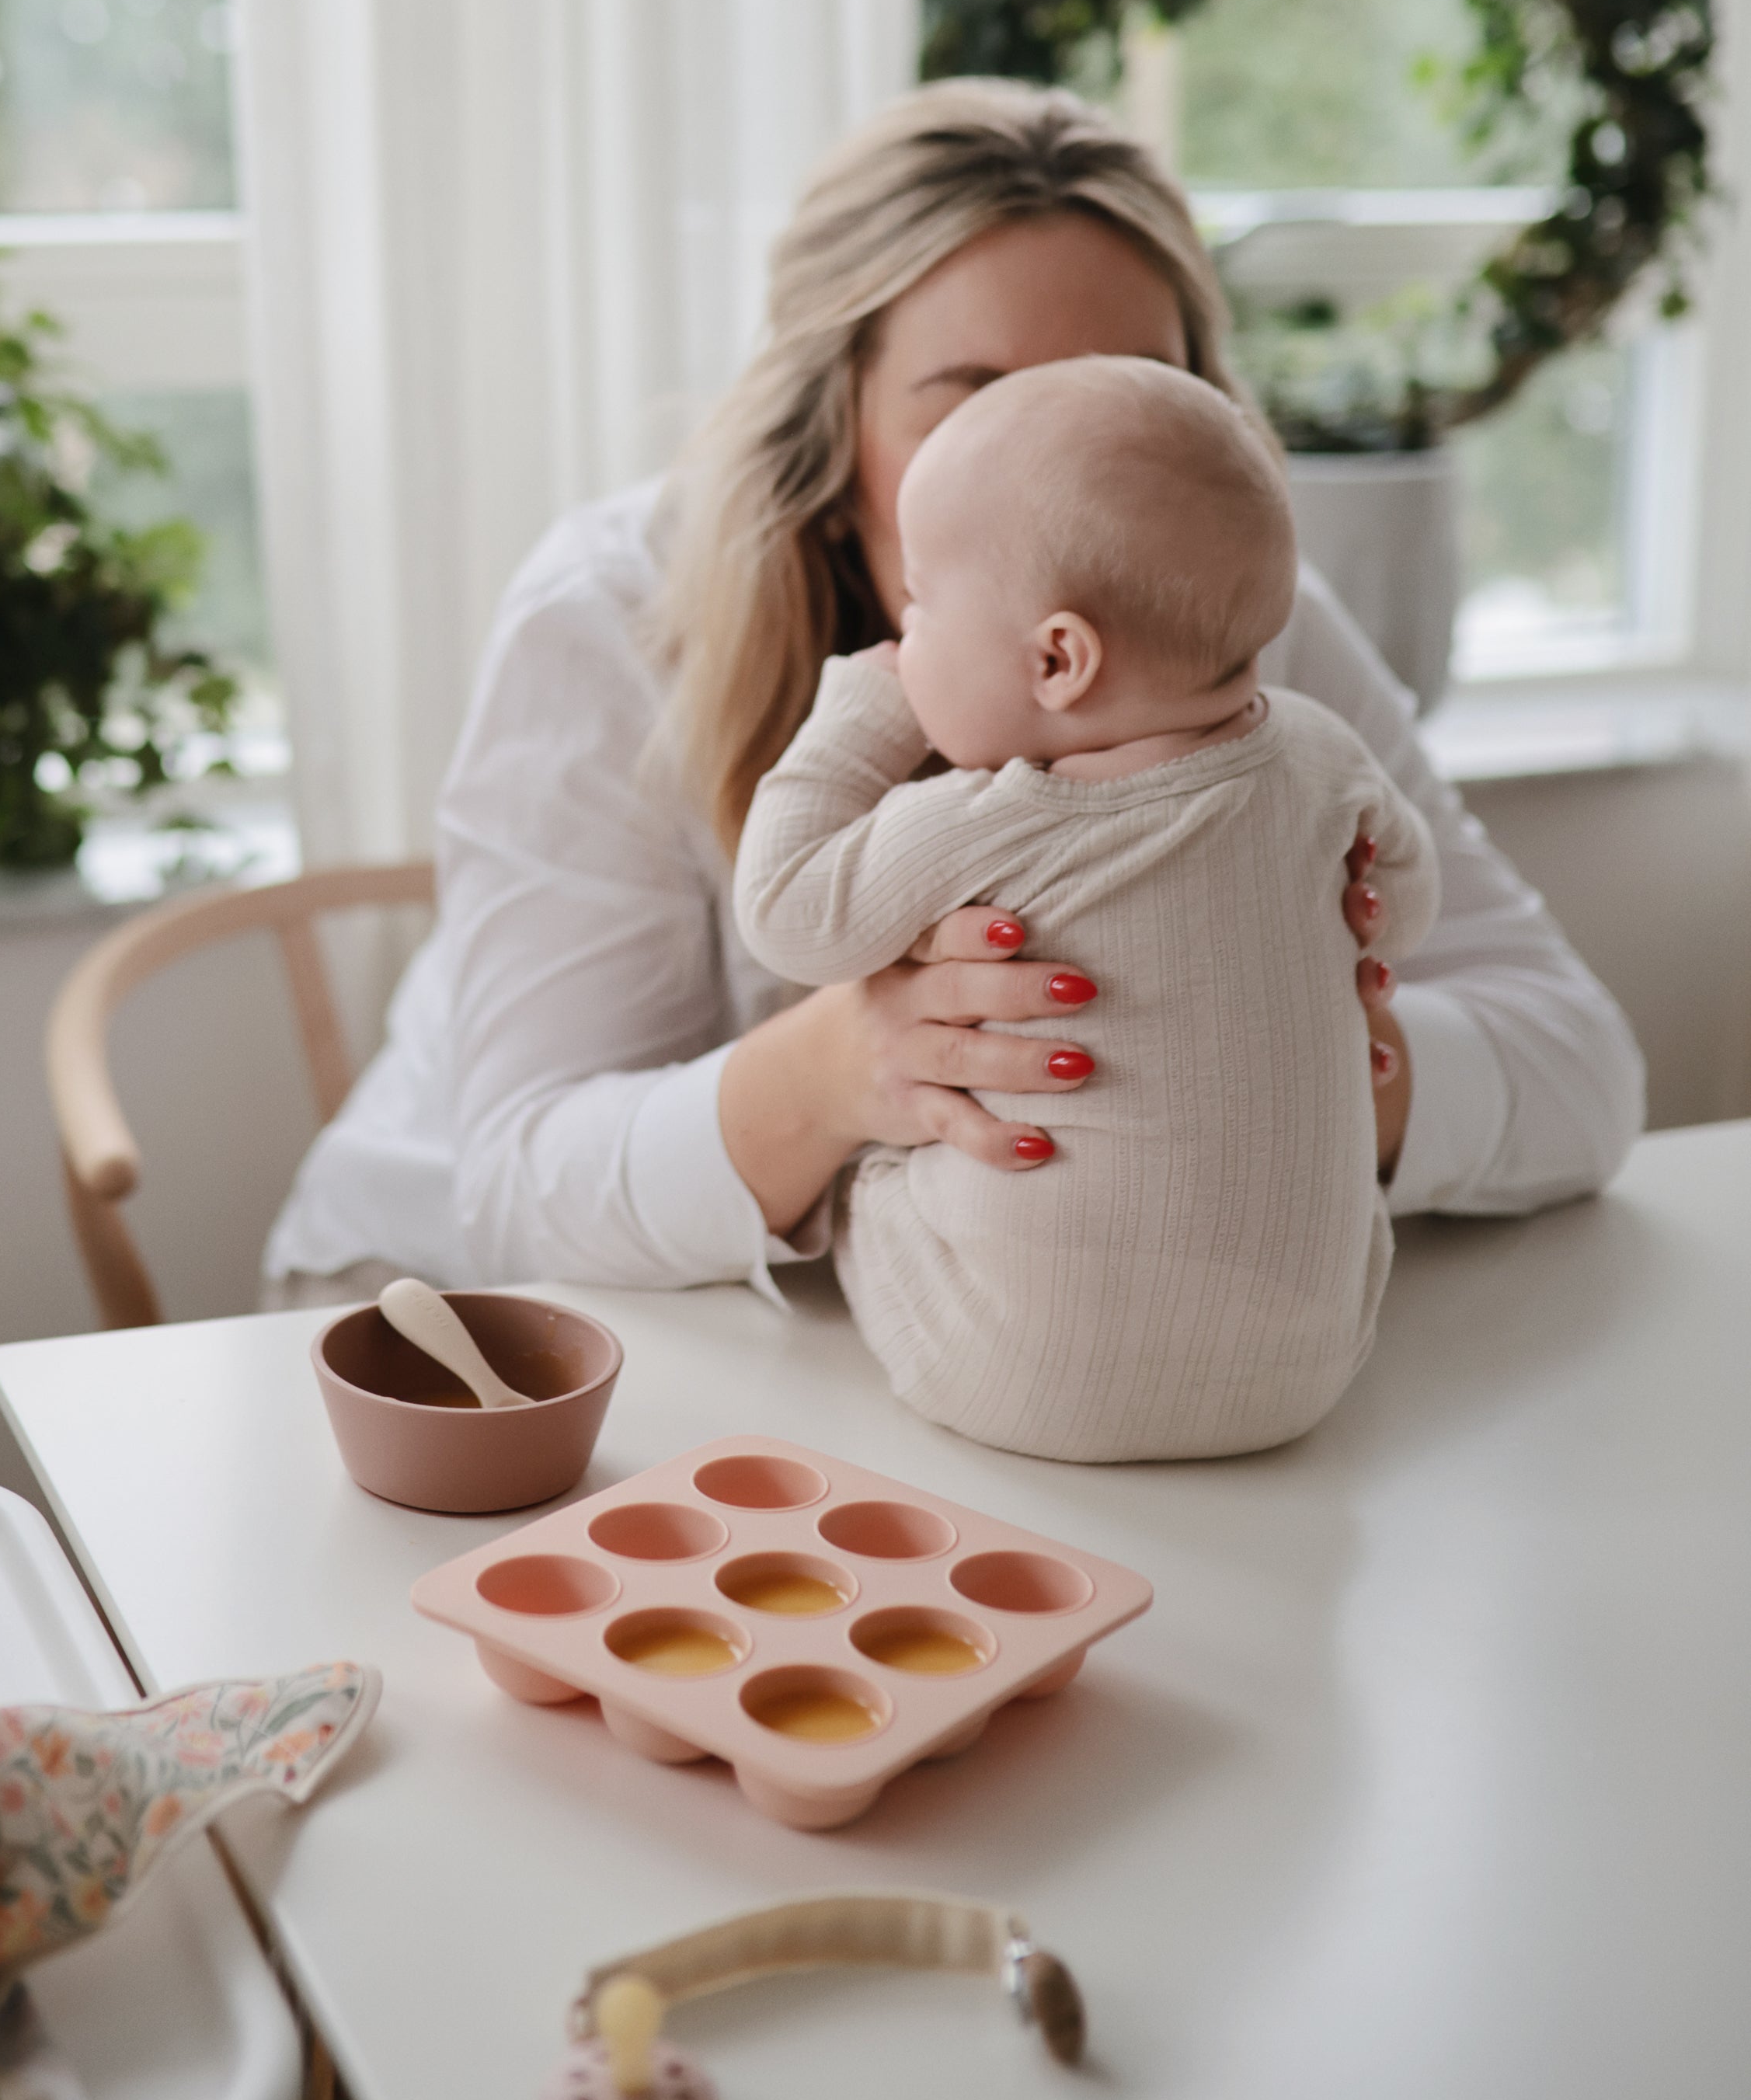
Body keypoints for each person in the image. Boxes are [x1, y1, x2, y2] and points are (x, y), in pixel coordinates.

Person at [263, 79, 1642, 1307]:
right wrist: (845, 1071)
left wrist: (1328, 1059)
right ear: (834, 413)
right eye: (968, 396)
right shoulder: (610, 619)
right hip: (437, 1319)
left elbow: (1584, 1069)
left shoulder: (1205, 602)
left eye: (1119, 397)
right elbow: (515, 1191)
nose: (1056, 484)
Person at [733, 356, 1437, 1459]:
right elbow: (1407, 901)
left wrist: (858, 719)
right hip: (1307, 1372)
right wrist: (1349, 933)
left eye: (921, 604)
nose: (902, 632)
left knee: (876, 1176)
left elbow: (784, 912)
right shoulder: (1320, 756)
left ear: (1059, 658)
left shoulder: (992, 817)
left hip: (1009, 1376)